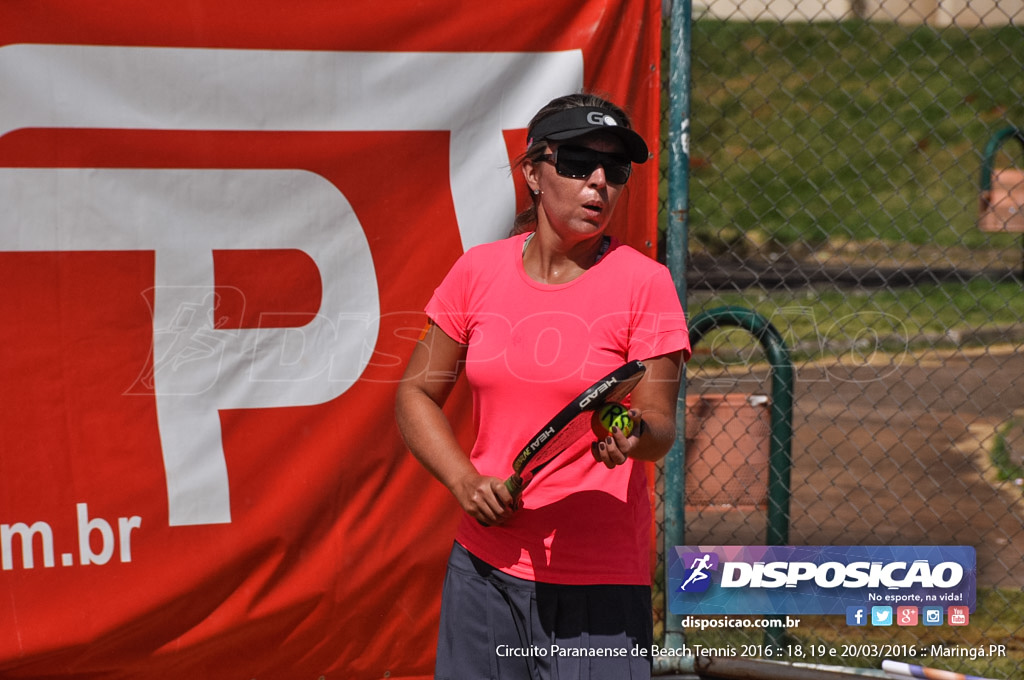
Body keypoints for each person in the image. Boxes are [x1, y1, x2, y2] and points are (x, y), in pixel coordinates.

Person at [395, 92, 690, 680]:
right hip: (483, 571)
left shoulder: (646, 286)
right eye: (579, 163)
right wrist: (463, 480)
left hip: (599, 587)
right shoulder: (477, 272)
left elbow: (659, 425)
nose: (599, 183)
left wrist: (631, 432)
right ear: (533, 171)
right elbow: (413, 395)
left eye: (615, 170)